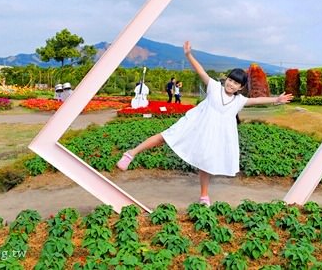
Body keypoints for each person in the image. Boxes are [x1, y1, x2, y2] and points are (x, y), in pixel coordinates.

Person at [116, 41, 293, 205]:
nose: (231, 84)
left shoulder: (239, 101)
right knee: (166, 136)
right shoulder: (214, 87)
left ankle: (204, 195)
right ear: (226, 80)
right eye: (230, 80)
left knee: (206, 163)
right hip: (195, 124)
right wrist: (189, 55)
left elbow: (257, 101)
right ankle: (131, 153)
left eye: (236, 83)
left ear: (241, 87)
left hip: (213, 134)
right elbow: (201, 71)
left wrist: (276, 99)